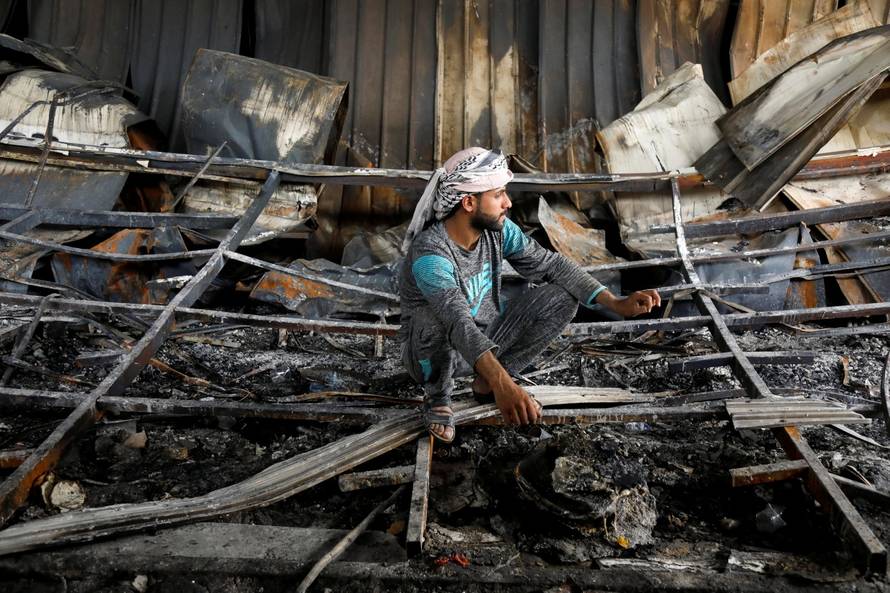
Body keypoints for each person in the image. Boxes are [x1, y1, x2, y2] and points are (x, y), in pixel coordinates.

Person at [399, 147, 660, 443]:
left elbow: (553, 265)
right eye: (498, 195)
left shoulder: (498, 231)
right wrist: (505, 385)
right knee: (434, 317)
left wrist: (614, 303)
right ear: (469, 202)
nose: (508, 203)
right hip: (432, 353)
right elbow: (457, 322)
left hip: (484, 340)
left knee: (561, 297)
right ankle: (437, 397)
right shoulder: (431, 254)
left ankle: (486, 382)